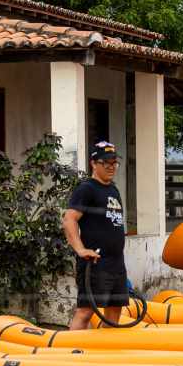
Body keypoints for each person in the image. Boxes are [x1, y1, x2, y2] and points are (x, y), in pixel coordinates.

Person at [62, 141, 127, 330]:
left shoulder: (113, 189)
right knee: (86, 311)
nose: (111, 166)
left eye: (114, 162)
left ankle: (107, 355)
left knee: (114, 311)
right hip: (95, 263)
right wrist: (80, 249)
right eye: (106, 162)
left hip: (116, 263)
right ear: (94, 163)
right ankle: (70, 354)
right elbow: (69, 219)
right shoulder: (87, 189)